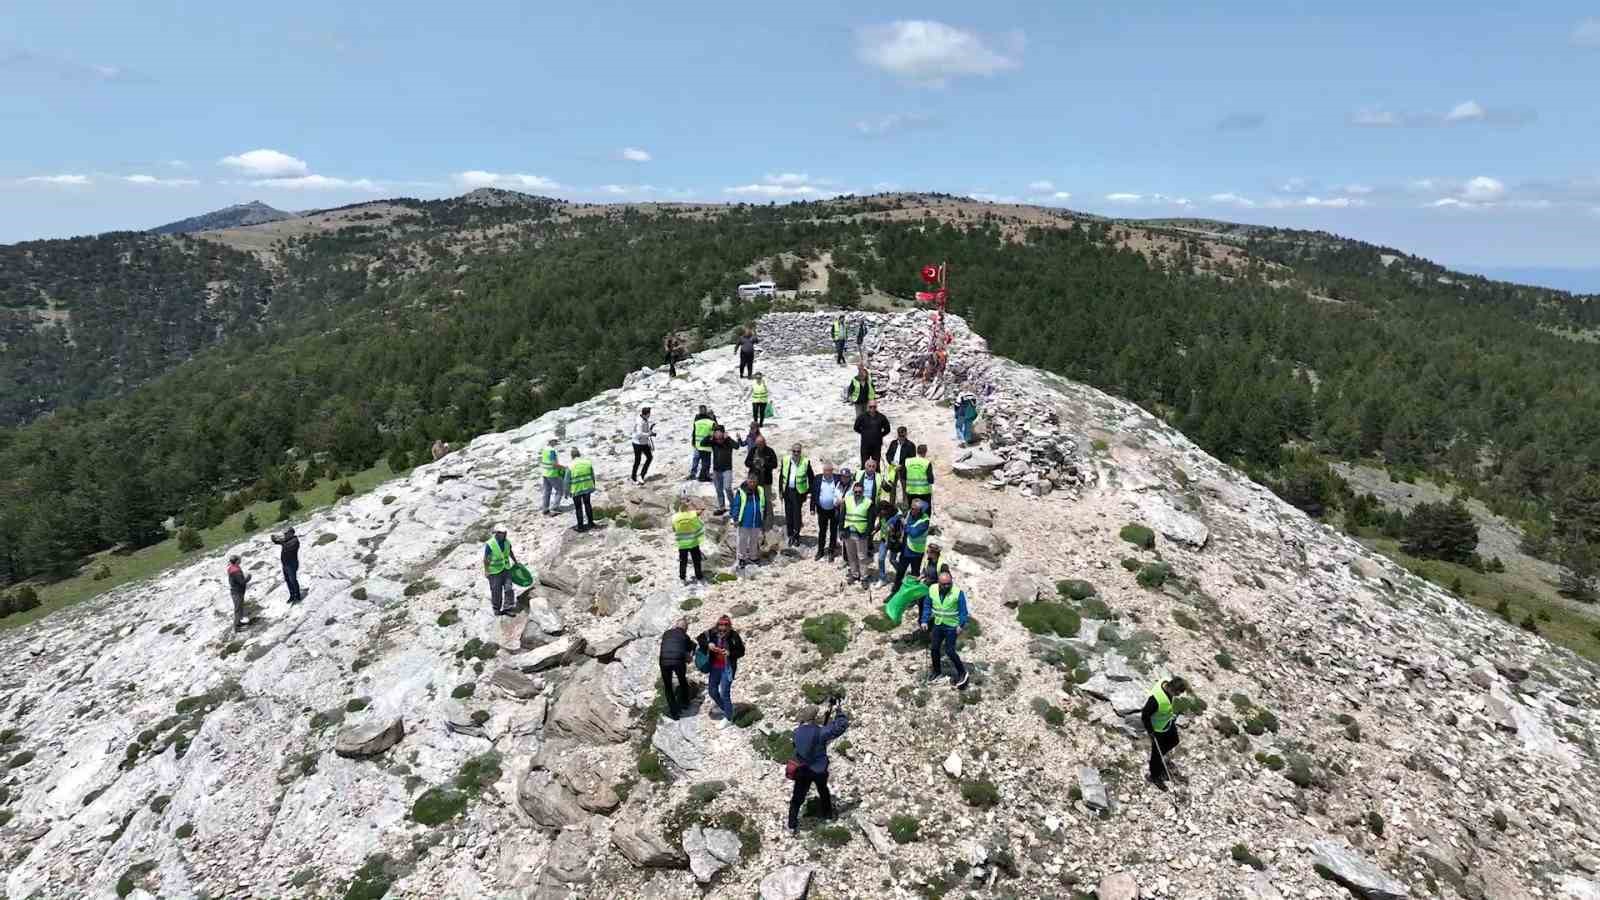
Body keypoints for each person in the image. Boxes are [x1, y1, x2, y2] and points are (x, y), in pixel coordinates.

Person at [787, 698, 851, 833]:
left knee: (797, 797)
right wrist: (839, 710)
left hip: (802, 769)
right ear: (815, 718)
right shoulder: (821, 732)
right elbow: (842, 725)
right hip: (818, 769)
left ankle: (792, 824)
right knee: (823, 790)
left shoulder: (796, 732)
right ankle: (827, 815)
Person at [922, 569, 970, 688]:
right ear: (939, 583)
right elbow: (927, 605)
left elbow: (963, 611)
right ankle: (937, 671)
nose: (947, 586)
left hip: (952, 626)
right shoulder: (932, 589)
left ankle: (962, 672)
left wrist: (961, 624)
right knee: (934, 648)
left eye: (949, 583)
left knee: (949, 650)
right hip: (938, 624)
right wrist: (924, 620)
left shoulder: (958, 593)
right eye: (944, 584)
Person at [697, 615, 745, 725]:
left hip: (727, 668)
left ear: (729, 625)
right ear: (717, 624)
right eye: (720, 624)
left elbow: (741, 651)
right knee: (712, 691)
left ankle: (728, 718)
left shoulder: (734, 636)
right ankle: (727, 710)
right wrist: (708, 644)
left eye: (725, 625)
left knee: (724, 693)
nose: (722, 627)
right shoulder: (712, 632)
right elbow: (700, 638)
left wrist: (730, 653)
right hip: (715, 667)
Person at [1143, 676, 1188, 790]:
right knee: (1156, 754)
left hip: (1167, 722)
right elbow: (1145, 715)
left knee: (1174, 740)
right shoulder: (1155, 700)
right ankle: (1154, 776)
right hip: (1157, 729)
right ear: (1172, 689)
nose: (1178, 696)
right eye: (1178, 693)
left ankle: (1158, 758)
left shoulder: (1165, 680)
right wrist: (1151, 732)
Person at [892, 499, 931, 593]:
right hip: (906, 550)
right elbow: (897, 517)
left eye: (914, 509)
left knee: (914, 575)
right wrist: (895, 520)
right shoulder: (910, 513)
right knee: (900, 572)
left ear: (920, 510)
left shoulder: (925, 521)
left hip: (916, 552)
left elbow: (914, 533)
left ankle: (912, 595)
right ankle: (894, 591)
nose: (911, 510)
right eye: (911, 508)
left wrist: (904, 524)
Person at [660, 617, 695, 719]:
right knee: (682, 680)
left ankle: (674, 713)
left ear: (675, 625)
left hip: (664, 661)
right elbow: (689, 649)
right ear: (686, 629)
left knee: (668, 686)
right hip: (678, 661)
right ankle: (685, 703)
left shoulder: (666, 633)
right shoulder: (685, 636)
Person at [780, 444, 813, 548]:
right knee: (788, 513)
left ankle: (796, 535)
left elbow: (811, 478)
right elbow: (781, 476)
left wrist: (808, 491)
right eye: (794, 451)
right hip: (787, 491)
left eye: (798, 451)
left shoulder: (805, 462)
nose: (796, 453)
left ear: (801, 452)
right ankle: (790, 535)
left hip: (798, 492)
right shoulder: (786, 460)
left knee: (797, 514)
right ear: (791, 451)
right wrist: (780, 490)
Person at [483, 524, 520, 616]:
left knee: (509, 588)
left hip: (506, 569)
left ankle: (508, 607)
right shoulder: (490, 544)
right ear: (496, 533)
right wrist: (486, 571)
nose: (502, 534)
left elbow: (510, 552)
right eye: (500, 533)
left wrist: (515, 562)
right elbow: (486, 559)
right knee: (496, 591)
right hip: (494, 571)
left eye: (504, 533)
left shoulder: (507, 542)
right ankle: (496, 609)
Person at [730, 475, 766, 569]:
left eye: (754, 482)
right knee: (742, 540)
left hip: (756, 519)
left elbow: (763, 504)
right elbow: (736, 505)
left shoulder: (760, 490)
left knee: (754, 540)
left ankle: (753, 557)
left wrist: (763, 517)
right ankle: (741, 558)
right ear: (747, 481)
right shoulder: (741, 491)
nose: (752, 484)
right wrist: (735, 518)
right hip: (744, 520)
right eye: (751, 482)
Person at [744, 434, 778, 531]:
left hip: (766, 480)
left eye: (761, 444)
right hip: (754, 480)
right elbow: (746, 462)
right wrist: (754, 463)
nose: (759, 446)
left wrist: (764, 463)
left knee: (767, 500)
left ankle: (769, 521)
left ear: (764, 443)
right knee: (755, 500)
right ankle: (756, 519)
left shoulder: (770, 451)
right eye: (757, 444)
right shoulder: (753, 450)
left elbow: (775, 464)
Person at [841, 479, 872, 583]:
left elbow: (871, 520)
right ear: (853, 491)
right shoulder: (847, 500)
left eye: (860, 491)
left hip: (861, 534)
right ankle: (855, 574)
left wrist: (867, 533)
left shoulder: (868, 502)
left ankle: (864, 577)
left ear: (863, 492)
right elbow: (842, 515)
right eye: (856, 491)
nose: (857, 493)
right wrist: (841, 529)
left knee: (862, 557)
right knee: (851, 555)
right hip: (848, 532)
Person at [812, 462, 844, 561]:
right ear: (823, 471)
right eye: (826, 471)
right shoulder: (818, 478)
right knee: (822, 531)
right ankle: (820, 551)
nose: (827, 473)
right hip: (822, 510)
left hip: (834, 510)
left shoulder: (837, 478)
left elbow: (848, 478)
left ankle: (831, 551)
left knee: (833, 531)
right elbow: (814, 493)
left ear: (832, 471)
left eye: (829, 471)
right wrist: (812, 508)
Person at [672, 499, 706, 583]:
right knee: (696, 560)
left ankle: (682, 578)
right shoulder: (692, 514)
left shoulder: (675, 517)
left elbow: (673, 529)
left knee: (683, 561)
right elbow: (700, 512)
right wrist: (699, 507)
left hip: (682, 544)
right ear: (687, 509)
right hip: (693, 542)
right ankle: (699, 576)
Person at [707, 425, 739, 514]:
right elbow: (703, 443)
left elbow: (737, 446)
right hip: (716, 470)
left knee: (727, 488)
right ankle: (722, 507)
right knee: (718, 489)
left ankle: (733, 507)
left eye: (720, 437)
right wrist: (710, 436)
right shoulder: (714, 442)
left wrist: (728, 438)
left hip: (727, 469)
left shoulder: (728, 441)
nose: (719, 440)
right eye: (717, 437)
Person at [270, 526, 303, 604]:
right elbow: (277, 542)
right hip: (285, 564)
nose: (285, 534)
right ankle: (292, 595)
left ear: (291, 533)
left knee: (293, 580)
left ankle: (297, 595)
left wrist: (281, 541)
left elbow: (287, 547)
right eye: (284, 533)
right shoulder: (287, 540)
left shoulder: (295, 541)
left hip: (292, 564)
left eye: (286, 533)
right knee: (288, 580)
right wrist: (273, 538)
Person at [854, 401, 891, 469]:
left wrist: (880, 435)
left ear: (876, 407)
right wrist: (864, 434)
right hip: (865, 445)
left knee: (876, 466)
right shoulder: (862, 417)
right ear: (868, 407)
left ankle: (877, 479)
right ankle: (863, 479)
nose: (872, 408)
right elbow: (856, 428)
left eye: (874, 407)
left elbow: (887, 429)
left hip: (876, 446)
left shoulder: (881, 417)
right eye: (870, 407)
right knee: (864, 465)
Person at [885, 426, 916, 506]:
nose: (901, 437)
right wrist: (891, 462)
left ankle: (905, 508)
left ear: (906, 434)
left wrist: (901, 466)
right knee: (892, 489)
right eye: (900, 435)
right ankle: (891, 507)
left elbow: (911, 459)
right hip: (893, 468)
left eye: (903, 435)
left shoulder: (910, 445)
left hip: (903, 470)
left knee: (905, 490)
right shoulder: (893, 443)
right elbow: (888, 454)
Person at [568, 448, 596, 531]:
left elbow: (566, 480)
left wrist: (566, 491)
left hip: (576, 489)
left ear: (571, 456)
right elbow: (592, 475)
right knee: (588, 504)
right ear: (579, 454)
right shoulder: (588, 462)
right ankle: (591, 523)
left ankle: (580, 526)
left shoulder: (570, 466)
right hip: (587, 487)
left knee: (578, 507)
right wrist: (593, 485)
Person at [875, 499, 901, 584]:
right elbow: (881, 524)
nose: (881, 513)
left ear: (888, 509)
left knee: (892, 560)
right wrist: (875, 530)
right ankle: (882, 578)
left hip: (893, 542)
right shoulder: (882, 515)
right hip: (883, 540)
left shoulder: (895, 518)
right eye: (880, 512)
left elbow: (896, 531)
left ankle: (901, 573)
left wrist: (891, 532)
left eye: (883, 511)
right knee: (881, 559)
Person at [903, 444, 934, 515]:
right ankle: (923, 525)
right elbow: (930, 480)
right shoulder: (926, 463)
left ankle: (912, 525)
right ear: (925, 452)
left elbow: (904, 476)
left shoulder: (908, 461)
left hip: (911, 492)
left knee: (913, 512)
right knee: (925, 513)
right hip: (924, 493)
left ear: (917, 451)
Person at [690, 406, 717, 482]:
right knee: (703, 461)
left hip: (701, 444)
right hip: (704, 445)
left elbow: (695, 431)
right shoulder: (709, 422)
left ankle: (704, 475)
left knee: (703, 461)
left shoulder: (699, 421)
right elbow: (716, 431)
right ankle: (701, 476)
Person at [540, 438, 565, 516]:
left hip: (545, 473)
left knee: (547, 491)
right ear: (551, 441)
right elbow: (554, 464)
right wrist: (563, 467)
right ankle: (555, 507)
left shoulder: (544, 449)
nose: (556, 442)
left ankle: (545, 509)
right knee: (560, 490)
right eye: (555, 441)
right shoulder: (552, 451)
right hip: (552, 473)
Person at [226, 555, 252, 629]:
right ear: (237, 561)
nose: (240, 560)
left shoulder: (232, 567)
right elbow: (242, 582)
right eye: (239, 559)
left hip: (236, 591)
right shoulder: (235, 571)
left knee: (239, 607)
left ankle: (239, 622)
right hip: (237, 592)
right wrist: (248, 578)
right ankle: (236, 626)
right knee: (238, 608)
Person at [631, 406, 655, 483]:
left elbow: (646, 430)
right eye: (649, 414)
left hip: (644, 442)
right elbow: (639, 433)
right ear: (646, 414)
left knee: (649, 457)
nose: (650, 415)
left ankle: (641, 475)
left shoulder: (645, 419)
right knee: (637, 461)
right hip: (637, 443)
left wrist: (650, 434)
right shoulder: (639, 421)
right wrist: (649, 434)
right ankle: (633, 477)